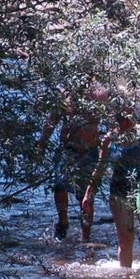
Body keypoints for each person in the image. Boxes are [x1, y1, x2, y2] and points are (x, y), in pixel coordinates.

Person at [81, 108, 140, 272]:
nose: (123, 119)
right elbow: (100, 168)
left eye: (125, 114)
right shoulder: (110, 139)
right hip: (119, 192)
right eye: (120, 116)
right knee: (125, 239)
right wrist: (89, 194)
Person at [36, 92, 103, 241]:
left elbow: (113, 120)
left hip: (89, 152)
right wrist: (42, 143)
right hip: (68, 150)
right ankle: (63, 221)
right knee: (60, 186)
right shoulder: (65, 97)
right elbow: (52, 121)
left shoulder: (100, 95)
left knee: (85, 195)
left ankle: (86, 236)